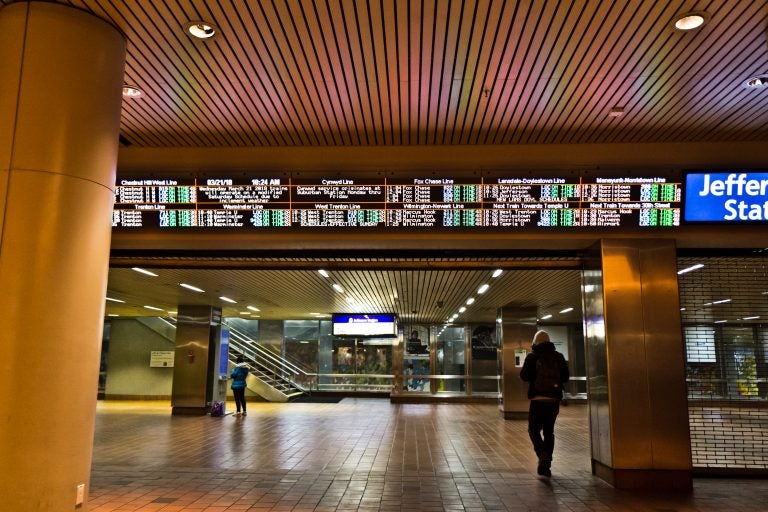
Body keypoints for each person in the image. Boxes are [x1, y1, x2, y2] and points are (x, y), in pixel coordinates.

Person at [519, 330, 569, 477]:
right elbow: (565, 377)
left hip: (537, 400)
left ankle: (542, 456)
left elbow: (524, 376)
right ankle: (546, 463)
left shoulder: (532, 357)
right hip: (553, 400)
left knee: (533, 430)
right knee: (549, 431)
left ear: (535, 342)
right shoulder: (559, 357)